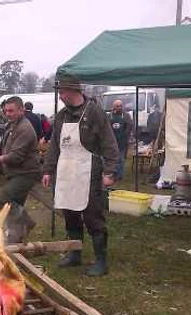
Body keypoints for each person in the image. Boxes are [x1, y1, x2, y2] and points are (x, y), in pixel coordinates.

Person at [42, 74, 119, 276]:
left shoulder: (94, 113)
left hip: (88, 172)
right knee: (70, 214)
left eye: (62, 92)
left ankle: (101, 260)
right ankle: (75, 254)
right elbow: (54, 146)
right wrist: (48, 170)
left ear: (73, 91)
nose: (60, 96)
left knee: (93, 216)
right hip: (66, 172)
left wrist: (110, 171)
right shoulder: (61, 116)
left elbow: (109, 143)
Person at [0, 96, 41, 242]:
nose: (8, 113)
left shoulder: (25, 128)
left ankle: (27, 222)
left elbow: (16, 157)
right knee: (15, 207)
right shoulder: (11, 125)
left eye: (11, 111)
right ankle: (16, 239)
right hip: (15, 173)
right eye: (6, 111)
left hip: (25, 174)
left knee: (3, 200)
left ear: (21, 110)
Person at [109, 99, 134, 180]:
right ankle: (112, 173)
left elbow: (130, 126)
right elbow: (106, 127)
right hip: (111, 141)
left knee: (121, 158)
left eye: (120, 106)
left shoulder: (126, 115)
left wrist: (125, 135)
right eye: (117, 106)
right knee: (111, 158)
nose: (119, 107)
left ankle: (119, 175)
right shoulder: (109, 116)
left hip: (122, 141)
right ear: (113, 106)